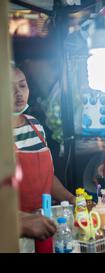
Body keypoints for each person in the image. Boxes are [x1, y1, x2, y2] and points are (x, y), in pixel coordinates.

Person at [11, 66, 75, 213]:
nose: (18, 93)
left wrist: (71, 199)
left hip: (44, 216)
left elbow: (47, 179)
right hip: (16, 224)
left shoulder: (35, 125)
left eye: (22, 85)